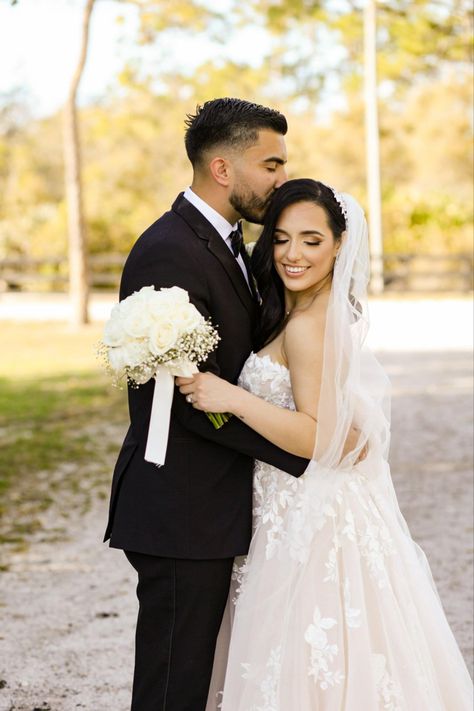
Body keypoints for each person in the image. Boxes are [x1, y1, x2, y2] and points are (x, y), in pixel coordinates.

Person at [178, 179, 473, 709]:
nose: (293, 254)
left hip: (312, 517)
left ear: (340, 244)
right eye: (282, 238)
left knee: (310, 659)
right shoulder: (305, 312)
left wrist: (232, 398)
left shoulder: (309, 325)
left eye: (312, 240)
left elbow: (321, 438)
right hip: (294, 507)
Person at [103, 98, 316, 711]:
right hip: (181, 508)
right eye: (270, 164)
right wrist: (299, 445)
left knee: (204, 675)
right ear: (223, 170)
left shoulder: (231, 243)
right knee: (174, 684)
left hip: (212, 505)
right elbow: (184, 398)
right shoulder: (168, 249)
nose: (281, 178)